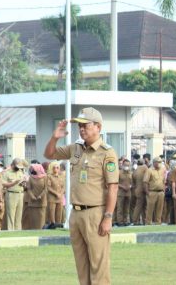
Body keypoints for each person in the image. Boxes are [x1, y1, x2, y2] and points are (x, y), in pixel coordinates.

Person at [44, 107, 118, 285]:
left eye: (86, 125)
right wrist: (55, 137)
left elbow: (113, 187)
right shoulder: (76, 148)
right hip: (76, 213)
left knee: (98, 267)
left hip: (95, 213)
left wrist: (108, 217)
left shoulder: (106, 153)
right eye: (80, 126)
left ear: (98, 127)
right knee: (82, 266)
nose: (82, 129)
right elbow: (49, 154)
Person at [2, 158, 27, 231]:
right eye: (17, 167)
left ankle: (18, 230)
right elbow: (4, 184)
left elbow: (23, 182)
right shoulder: (7, 173)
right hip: (11, 194)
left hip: (20, 194)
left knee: (19, 215)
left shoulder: (20, 172)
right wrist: (14, 183)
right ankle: (10, 230)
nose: (18, 168)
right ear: (13, 165)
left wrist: (24, 183)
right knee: (11, 214)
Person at [23, 163, 48, 230]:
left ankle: (41, 231)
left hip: (41, 201)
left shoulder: (45, 177)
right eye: (31, 170)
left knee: (41, 219)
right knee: (33, 219)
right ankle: (33, 232)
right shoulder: (31, 178)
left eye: (33, 169)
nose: (32, 171)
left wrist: (40, 196)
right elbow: (28, 188)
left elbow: (46, 188)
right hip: (32, 201)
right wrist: (32, 196)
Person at [144, 158, 166, 225]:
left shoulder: (163, 170)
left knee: (159, 209)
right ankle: (148, 223)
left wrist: (163, 190)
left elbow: (164, 181)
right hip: (152, 192)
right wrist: (147, 192)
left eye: (160, 162)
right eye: (158, 162)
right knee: (150, 209)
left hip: (161, 192)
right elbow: (145, 182)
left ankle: (158, 222)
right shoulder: (149, 170)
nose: (159, 163)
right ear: (154, 163)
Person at [46, 161, 65, 228]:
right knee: (52, 213)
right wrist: (56, 193)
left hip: (59, 198)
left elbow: (63, 187)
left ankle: (58, 226)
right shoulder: (49, 176)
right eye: (54, 167)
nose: (56, 169)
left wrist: (61, 194)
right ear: (52, 168)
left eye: (57, 167)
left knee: (59, 213)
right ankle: (52, 226)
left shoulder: (61, 177)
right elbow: (48, 187)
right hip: (52, 198)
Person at [115, 159, 133, 226]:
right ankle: (120, 221)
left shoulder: (131, 173)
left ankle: (126, 221)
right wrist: (122, 186)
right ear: (122, 165)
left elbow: (133, 183)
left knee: (127, 208)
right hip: (120, 192)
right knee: (120, 208)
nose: (127, 166)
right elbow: (116, 182)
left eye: (128, 165)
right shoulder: (119, 173)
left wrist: (130, 186)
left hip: (128, 193)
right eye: (125, 165)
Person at [131, 158, 148, 225]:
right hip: (143, 190)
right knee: (144, 207)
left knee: (138, 206)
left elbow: (133, 182)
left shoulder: (135, 171)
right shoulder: (145, 168)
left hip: (137, 190)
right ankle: (142, 221)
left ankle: (136, 220)